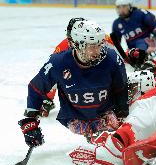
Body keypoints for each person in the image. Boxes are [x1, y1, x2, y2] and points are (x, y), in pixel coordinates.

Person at [18, 19, 129, 148]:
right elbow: (36, 88)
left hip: (106, 114)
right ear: (76, 45)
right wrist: (30, 120)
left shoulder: (111, 58)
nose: (97, 51)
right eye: (92, 46)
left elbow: (121, 88)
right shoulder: (57, 62)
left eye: (99, 45)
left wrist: (123, 114)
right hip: (76, 119)